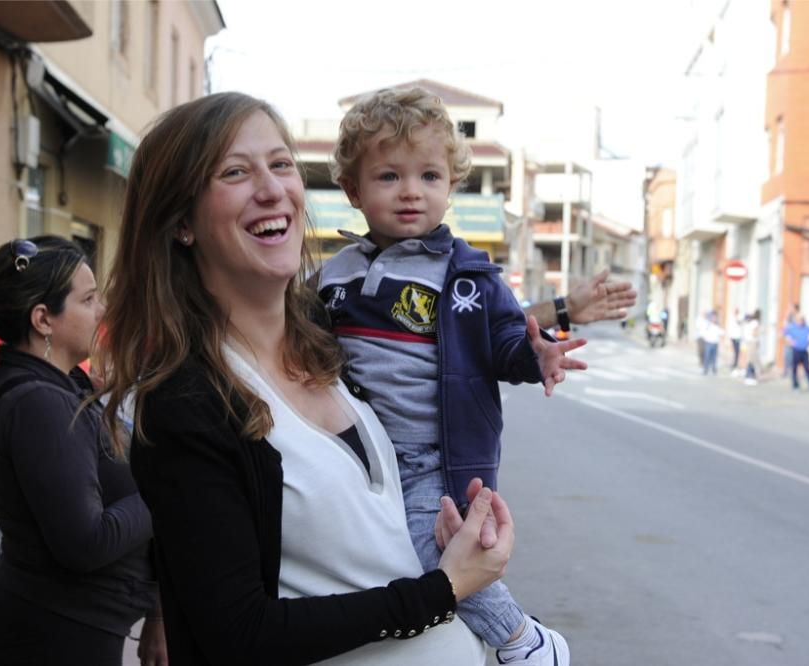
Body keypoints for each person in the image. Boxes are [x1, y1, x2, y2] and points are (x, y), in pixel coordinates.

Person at [97, 92, 517, 666]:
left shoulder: (329, 339)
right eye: (235, 171)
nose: (272, 189)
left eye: (281, 164)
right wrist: (445, 588)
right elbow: (239, 632)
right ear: (182, 224)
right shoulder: (184, 402)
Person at [320, 87, 583, 665]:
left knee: (435, 555)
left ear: (451, 185)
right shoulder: (332, 274)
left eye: (430, 176)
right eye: (389, 176)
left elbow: (507, 343)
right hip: (358, 453)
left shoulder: (468, 274)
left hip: (431, 456)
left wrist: (537, 356)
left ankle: (523, 640)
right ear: (353, 190)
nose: (412, 191)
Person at [0, 237, 164, 666]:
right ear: (43, 320)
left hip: (71, 625)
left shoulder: (58, 386)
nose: (102, 310)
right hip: (56, 634)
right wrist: (163, 491)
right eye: (88, 300)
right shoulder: (40, 403)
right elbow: (86, 543)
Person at [783, 313, 809, 391]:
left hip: (804, 351)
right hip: (795, 351)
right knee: (794, 369)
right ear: (796, 320)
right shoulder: (792, 327)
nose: (801, 321)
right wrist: (790, 341)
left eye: (802, 319)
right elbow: (785, 334)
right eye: (799, 319)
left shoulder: (807, 327)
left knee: (807, 368)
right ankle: (795, 386)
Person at [701, 310, 724, 376]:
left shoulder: (717, 325)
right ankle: (705, 369)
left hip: (715, 343)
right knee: (707, 357)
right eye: (713, 317)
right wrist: (705, 338)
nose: (714, 318)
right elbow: (703, 332)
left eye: (715, 317)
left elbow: (722, 333)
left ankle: (714, 369)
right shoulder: (708, 324)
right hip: (709, 343)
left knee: (714, 357)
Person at [742, 309, 762, 386]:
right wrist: (761, 332)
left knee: (750, 359)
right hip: (752, 342)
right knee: (752, 359)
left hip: (749, 341)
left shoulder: (750, 323)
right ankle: (750, 376)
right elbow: (754, 333)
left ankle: (750, 376)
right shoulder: (755, 323)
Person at [727, 307, 743, 374]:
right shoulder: (731, 318)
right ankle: (733, 363)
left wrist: (737, 318)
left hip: (738, 337)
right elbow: (730, 327)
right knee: (734, 351)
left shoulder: (739, 317)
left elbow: (740, 323)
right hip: (733, 336)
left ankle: (735, 364)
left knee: (737, 351)